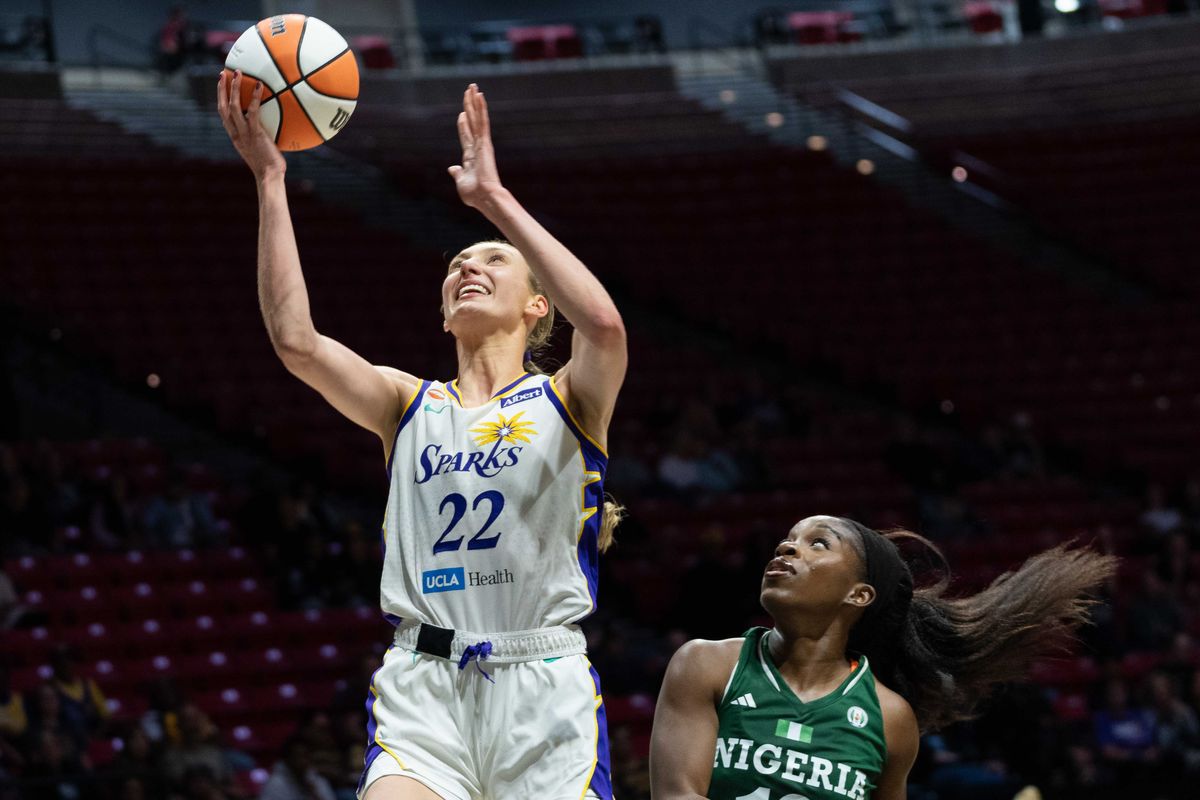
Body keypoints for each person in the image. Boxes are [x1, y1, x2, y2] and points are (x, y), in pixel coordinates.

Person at [217, 75, 626, 800]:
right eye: (458, 264)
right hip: (423, 683)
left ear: (538, 305)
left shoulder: (568, 398)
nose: (468, 266)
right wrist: (270, 180)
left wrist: (493, 200)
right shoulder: (407, 404)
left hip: (541, 685)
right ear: (442, 315)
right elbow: (296, 342)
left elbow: (602, 324)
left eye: (493, 260)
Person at [649, 515, 1116, 800]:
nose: (787, 547)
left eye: (818, 543)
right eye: (789, 539)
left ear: (859, 595)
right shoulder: (707, 665)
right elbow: (676, 794)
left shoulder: (890, 717)